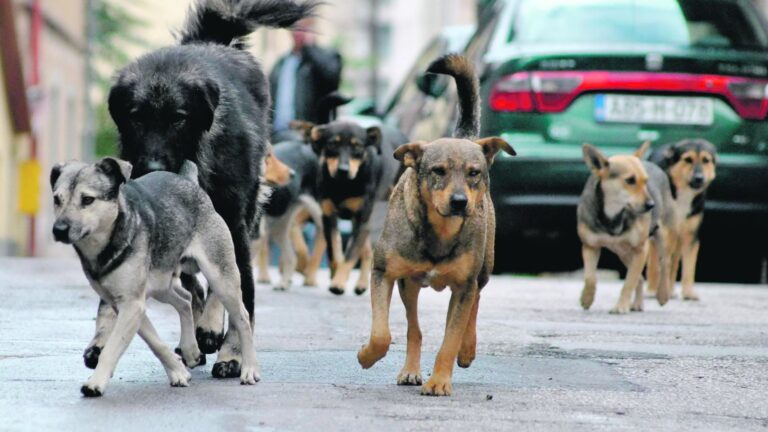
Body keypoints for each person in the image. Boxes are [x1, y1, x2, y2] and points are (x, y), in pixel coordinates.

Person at [270, 19, 342, 142]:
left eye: (303, 29)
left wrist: (309, 46)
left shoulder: (326, 57)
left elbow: (331, 77)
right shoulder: (281, 63)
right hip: (277, 135)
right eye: (296, 28)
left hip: (307, 137)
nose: (298, 32)